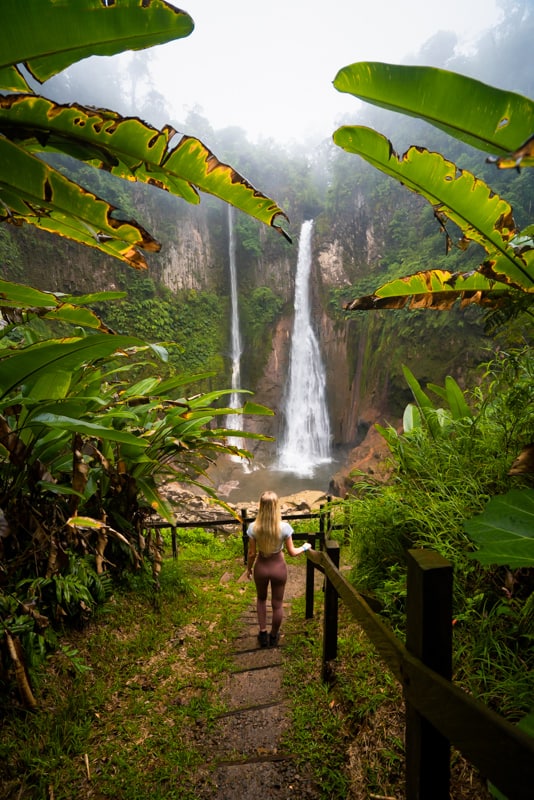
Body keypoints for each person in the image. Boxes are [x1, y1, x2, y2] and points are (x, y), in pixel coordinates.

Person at [246, 490, 311, 648]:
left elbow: (252, 553)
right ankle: (273, 636)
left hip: (261, 567)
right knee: (277, 604)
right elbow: (292, 552)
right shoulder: (284, 528)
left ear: (261, 507)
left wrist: (249, 569)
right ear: (276, 507)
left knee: (261, 599)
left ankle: (262, 633)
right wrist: (305, 547)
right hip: (278, 568)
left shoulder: (253, 527)